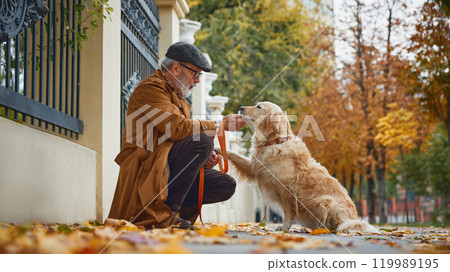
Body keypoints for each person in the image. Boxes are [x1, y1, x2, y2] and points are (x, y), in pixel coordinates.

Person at [108, 42, 247, 230]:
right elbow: (176, 128)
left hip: (164, 168)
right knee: (203, 139)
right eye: (195, 73)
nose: (197, 80)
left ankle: (176, 214)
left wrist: (204, 158)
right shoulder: (149, 89)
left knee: (225, 184)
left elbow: (180, 140)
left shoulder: (179, 98)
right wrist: (219, 125)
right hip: (147, 168)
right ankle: (166, 217)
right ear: (175, 68)